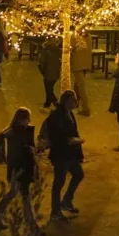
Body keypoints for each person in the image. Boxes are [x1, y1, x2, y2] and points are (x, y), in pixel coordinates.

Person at [0, 107, 40, 233]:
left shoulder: (18, 131)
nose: (29, 121)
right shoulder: (14, 132)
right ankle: (33, 226)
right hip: (19, 169)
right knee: (25, 197)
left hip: (20, 168)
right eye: (27, 119)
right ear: (21, 120)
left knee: (14, 193)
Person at [45, 89, 85, 223]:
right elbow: (55, 136)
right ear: (68, 102)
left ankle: (66, 201)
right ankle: (55, 212)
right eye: (74, 100)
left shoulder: (69, 114)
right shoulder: (57, 116)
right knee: (58, 183)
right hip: (61, 154)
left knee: (78, 174)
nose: (76, 102)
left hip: (69, 154)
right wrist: (69, 140)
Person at [70, 27, 92, 116]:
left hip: (78, 64)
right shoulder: (88, 37)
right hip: (86, 64)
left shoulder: (74, 37)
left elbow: (70, 49)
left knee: (81, 86)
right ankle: (75, 102)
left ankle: (86, 108)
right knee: (77, 85)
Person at [38, 37, 61, 108]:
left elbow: (42, 62)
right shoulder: (58, 50)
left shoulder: (46, 50)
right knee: (50, 88)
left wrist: (42, 70)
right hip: (55, 73)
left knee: (48, 90)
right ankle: (47, 103)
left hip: (48, 73)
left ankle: (57, 104)